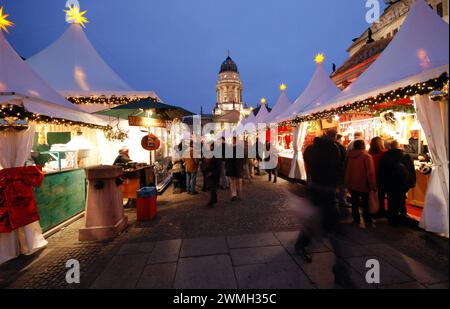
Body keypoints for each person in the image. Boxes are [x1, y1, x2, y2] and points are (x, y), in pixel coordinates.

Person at [295, 129, 352, 287]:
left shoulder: (312, 149)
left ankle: (301, 244)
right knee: (332, 232)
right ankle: (341, 271)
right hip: (327, 193)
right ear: (334, 137)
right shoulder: (337, 150)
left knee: (317, 225)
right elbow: (341, 170)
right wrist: (341, 192)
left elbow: (309, 162)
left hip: (316, 191)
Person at [378, 140, 416, 226]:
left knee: (391, 201)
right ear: (399, 146)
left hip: (390, 183)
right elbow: (411, 170)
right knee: (401, 200)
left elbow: (382, 171)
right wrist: (412, 181)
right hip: (402, 183)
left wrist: (382, 183)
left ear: (390, 147)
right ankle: (403, 217)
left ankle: (392, 220)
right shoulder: (406, 156)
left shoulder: (385, 156)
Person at [345, 140, 377, 225]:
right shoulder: (366, 156)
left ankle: (356, 219)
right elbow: (370, 173)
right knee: (365, 203)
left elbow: (346, 169)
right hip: (363, 183)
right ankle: (367, 220)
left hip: (352, 183)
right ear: (363, 146)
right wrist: (373, 185)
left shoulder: (349, 155)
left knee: (354, 202)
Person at [369, 137, 388, 217]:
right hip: (382, 176)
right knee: (381, 195)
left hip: (372, 176)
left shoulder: (369, 154)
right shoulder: (384, 153)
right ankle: (381, 210)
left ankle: (374, 210)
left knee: (373, 195)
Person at [202, 143, 222, 208]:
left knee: (212, 187)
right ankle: (214, 198)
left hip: (213, 173)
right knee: (213, 187)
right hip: (214, 172)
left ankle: (211, 201)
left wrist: (209, 171)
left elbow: (213, 164)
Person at [225, 137, 244, 201]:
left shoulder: (229, 148)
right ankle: (239, 194)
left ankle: (234, 195)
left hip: (232, 168)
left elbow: (227, 159)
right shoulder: (240, 148)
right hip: (237, 168)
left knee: (233, 182)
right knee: (238, 182)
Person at [335, 134, 350, 208]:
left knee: (334, 185)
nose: (342, 141)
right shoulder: (340, 147)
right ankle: (342, 201)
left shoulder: (330, 146)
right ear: (338, 139)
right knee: (342, 186)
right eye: (341, 140)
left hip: (333, 169)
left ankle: (335, 199)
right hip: (340, 169)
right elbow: (345, 158)